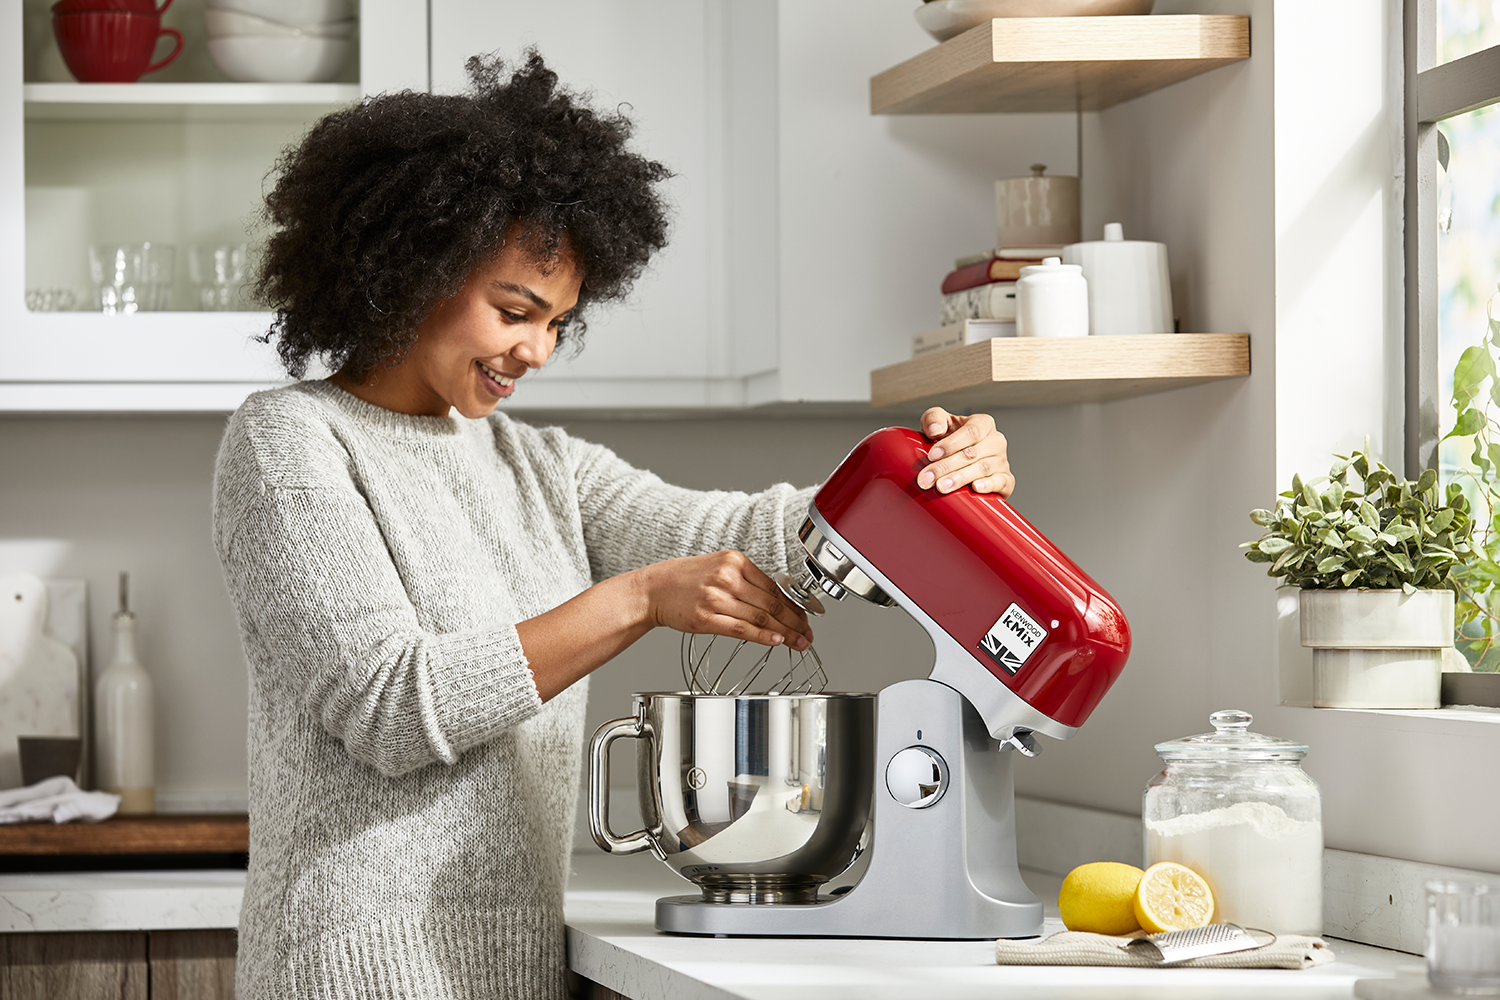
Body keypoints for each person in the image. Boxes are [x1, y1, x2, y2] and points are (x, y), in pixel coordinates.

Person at [212, 52, 1014, 1000]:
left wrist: (926, 482)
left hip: (512, 972)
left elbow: (744, 533)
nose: (536, 350)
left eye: (559, 322)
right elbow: (390, 709)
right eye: (515, 311)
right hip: (352, 974)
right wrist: (636, 600)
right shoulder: (291, 441)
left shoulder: (537, 465)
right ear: (411, 266)